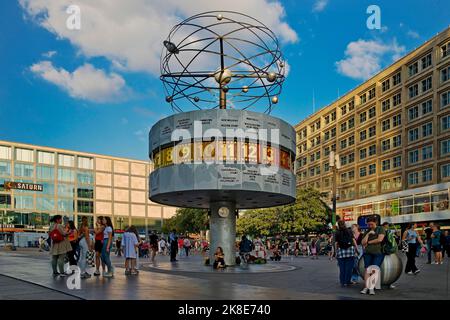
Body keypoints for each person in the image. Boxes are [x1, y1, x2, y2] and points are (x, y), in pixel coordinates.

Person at [360, 216, 385, 295]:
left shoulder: (380, 229)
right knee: (367, 270)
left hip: (378, 253)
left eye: (371, 224)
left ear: (376, 223)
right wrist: (368, 234)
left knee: (374, 270)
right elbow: (363, 243)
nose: (370, 226)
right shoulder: (367, 231)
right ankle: (366, 287)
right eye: (368, 225)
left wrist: (369, 242)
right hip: (367, 253)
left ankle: (371, 288)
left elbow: (380, 239)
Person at [335, 220, 358, 287]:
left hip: (341, 251)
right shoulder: (349, 231)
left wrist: (336, 252)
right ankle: (347, 282)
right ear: (344, 224)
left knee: (342, 268)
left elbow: (336, 243)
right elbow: (353, 241)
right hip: (350, 250)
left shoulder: (337, 232)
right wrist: (356, 250)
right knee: (349, 268)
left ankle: (343, 282)